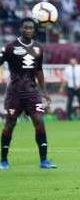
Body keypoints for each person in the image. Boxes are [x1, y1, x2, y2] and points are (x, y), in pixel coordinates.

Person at [0, 18, 57, 169]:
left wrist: (44, 91)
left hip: (32, 93)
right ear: (21, 29)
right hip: (14, 94)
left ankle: (44, 160)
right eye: (25, 28)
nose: (28, 30)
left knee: (39, 122)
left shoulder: (38, 48)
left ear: (34, 30)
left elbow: (38, 70)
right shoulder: (10, 47)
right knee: (10, 124)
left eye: (31, 28)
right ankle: (3, 160)